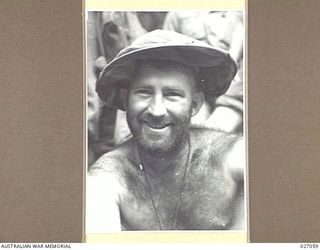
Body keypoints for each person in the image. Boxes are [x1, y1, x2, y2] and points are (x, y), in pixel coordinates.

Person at [86, 30, 245, 232]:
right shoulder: (108, 178)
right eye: (144, 93)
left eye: (172, 95)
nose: (156, 110)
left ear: (194, 104)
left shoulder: (229, 155)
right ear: (126, 99)